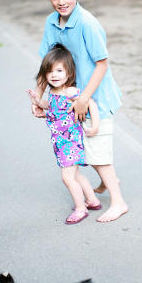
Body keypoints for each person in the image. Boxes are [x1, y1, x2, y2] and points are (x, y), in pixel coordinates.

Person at [30, 0, 128, 222]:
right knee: (85, 146)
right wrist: (40, 100)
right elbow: (46, 65)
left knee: (98, 150)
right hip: (73, 100)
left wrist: (85, 98)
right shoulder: (52, 22)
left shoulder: (87, 23)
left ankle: (118, 202)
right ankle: (109, 180)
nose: (61, 2)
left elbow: (102, 63)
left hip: (96, 98)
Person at [28, 44, 102, 225]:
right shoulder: (53, 92)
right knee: (75, 175)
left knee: (67, 177)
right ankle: (92, 200)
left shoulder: (70, 92)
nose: (54, 75)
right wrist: (38, 102)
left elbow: (90, 103)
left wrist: (95, 126)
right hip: (60, 142)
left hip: (70, 141)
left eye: (59, 70)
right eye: (50, 72)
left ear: (69, 73)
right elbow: (51, 107)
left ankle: (80, 209)